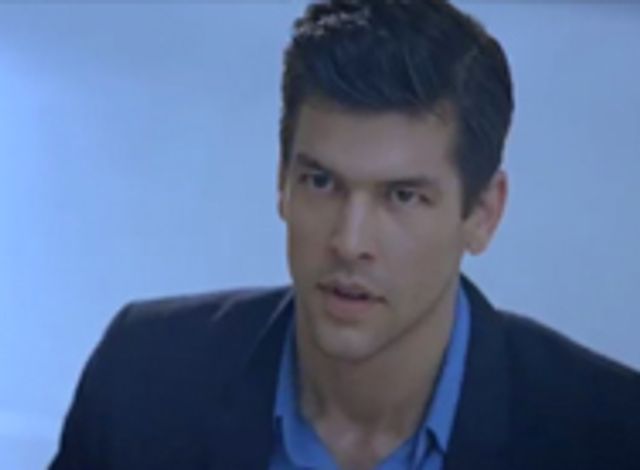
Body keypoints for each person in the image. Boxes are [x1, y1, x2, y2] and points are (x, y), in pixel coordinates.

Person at [50, 1, 640, 469]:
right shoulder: (143, 380)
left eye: (402, 196)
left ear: (484, 213)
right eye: (322, 182)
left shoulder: (609, 432)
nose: (350, 241)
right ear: (282, 182)